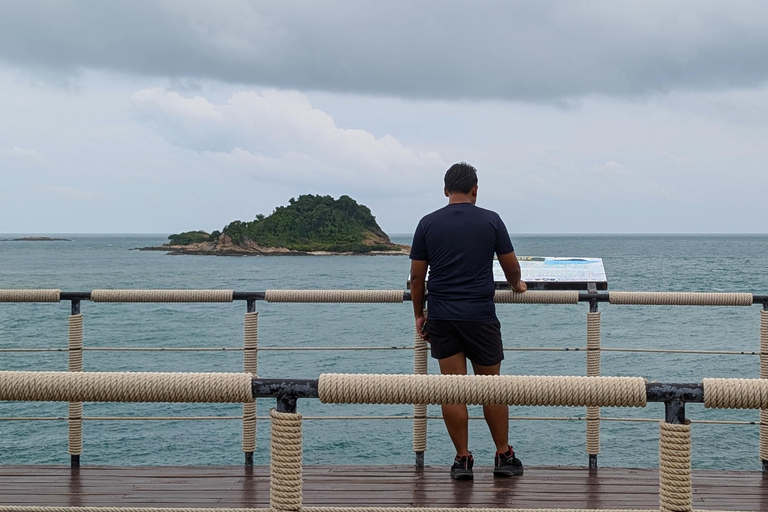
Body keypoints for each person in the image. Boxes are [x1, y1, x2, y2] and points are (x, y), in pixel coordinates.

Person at [409, 162, 527, 480]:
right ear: (475, 189)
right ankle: (503, 456)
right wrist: (517, 286)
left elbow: (417, 278)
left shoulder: (427, 223)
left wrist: (420, 315)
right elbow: (511, 267)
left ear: (446, 190)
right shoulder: (491, 220)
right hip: (480, 315)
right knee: (492, 389)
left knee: (452, 390)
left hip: (443, 317)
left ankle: (462, 460)